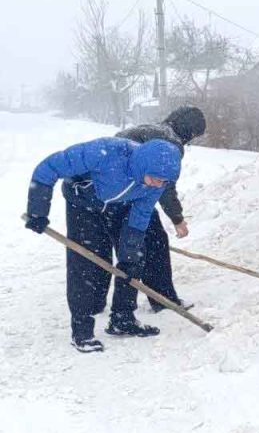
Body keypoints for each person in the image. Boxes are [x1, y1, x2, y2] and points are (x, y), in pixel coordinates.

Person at [25, 137, 182, 353]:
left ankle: (122, 318)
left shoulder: (158, 182)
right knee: (88, 264)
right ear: (143, 165)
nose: (158, 185)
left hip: (120, 206)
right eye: (155, 179)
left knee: (133, 258)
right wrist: (37, 211)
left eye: (164, 182)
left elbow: (142, 212)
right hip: (83, 201)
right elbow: (48, 168)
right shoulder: (106, 152)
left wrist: (130, 251)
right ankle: (82, 331)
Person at [116, 105, 206, 312]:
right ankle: (163, 300)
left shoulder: (150, 129)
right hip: (128, 193)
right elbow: (164, 186)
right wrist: (177, 219)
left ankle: (96, 303)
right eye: (193, 136)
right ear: (189, 131)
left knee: (110, 247)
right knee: (154, 243)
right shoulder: (171, 143)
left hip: (104, 190)